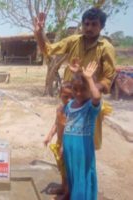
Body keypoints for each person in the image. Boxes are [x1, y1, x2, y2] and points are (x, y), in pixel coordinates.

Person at [34, 7, 116, 150]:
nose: (89, 28)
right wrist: (39, 33)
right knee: (63, 137)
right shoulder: (73, 41)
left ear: (101, 26)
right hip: (70, 99)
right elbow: (48, 50)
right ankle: (66, 169)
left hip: (89, 103)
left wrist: (91, 88)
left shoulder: (106, 48)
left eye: (94, 24)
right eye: (86, 24)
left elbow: (108, 78)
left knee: (85, 144)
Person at [63, 61, 101, 199]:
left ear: (89, 90)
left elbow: (96, 96)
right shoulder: (70, 104)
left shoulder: (90, 107)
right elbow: (67, 124)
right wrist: (77, 74)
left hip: (82, 149)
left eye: (83, 90)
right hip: (69, 147)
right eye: (75, 90)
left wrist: (89, 78)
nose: (78, 93)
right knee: (72, 174)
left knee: (82, 175)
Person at [43, 82, 73, 199]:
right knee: (61, 167)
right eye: (66, 96)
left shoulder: (73, 111)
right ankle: (63, 187)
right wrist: (49, 136)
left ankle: (68, 193)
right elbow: (56, 124)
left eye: (72, 97)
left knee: (68, 168)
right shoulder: (60, 109)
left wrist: (64, 146)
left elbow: (69, 130)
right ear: (60, 95)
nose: (69, 99)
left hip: (68, 144)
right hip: (59, 143)